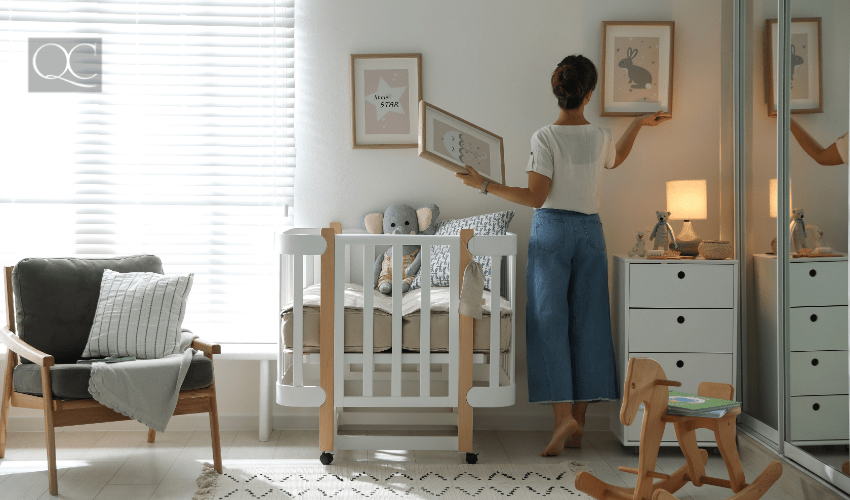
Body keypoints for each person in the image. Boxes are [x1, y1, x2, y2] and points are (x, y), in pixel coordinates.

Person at [456, 55, 671, 457]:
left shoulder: (545, 137)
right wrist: (639, 123)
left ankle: (562, 419)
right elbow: (616, 159)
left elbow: (535, 197)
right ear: (588, 94)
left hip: (552, 230)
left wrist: (484, 184)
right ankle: (579, 422)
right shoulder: (601, 135)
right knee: (588, 323)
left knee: (548, 324)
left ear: (557, 91)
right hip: (591, 233)